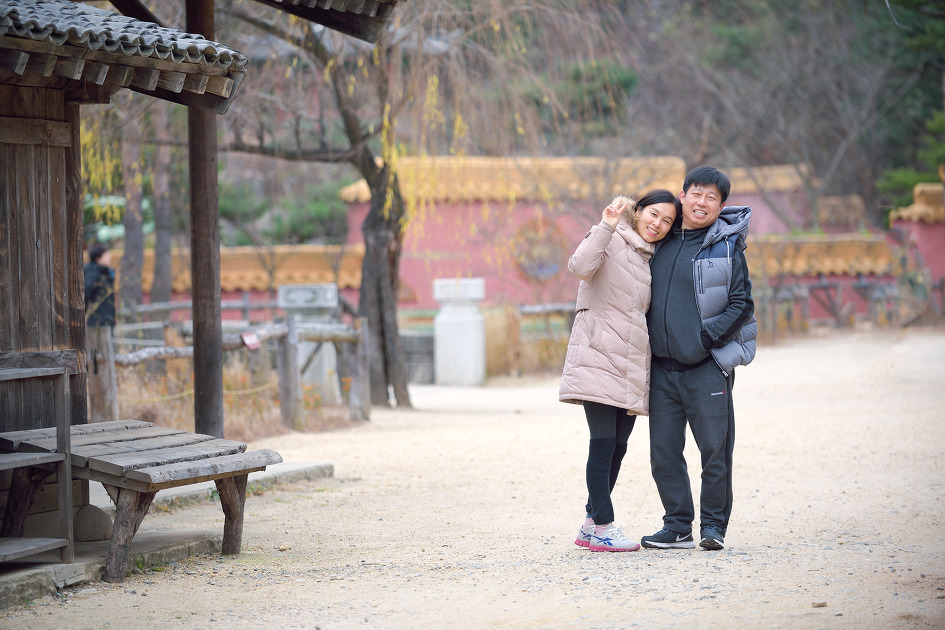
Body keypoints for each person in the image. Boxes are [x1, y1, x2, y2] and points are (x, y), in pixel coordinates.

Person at [640, 165, 756, 551]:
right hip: (662, 369)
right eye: (696, 193)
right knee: (664, 453)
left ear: (721, 206)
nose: (702, 202)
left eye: (712, 197)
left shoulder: (726, 246)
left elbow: (741, 304)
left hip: (706, 368)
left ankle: (713, 526)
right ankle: (677, 526)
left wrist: (705, 339)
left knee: (715, 451)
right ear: (683, 195)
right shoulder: (659, 239)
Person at [559, 190, 679, 552]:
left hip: (629, 362)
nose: (657, 224)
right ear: (637, 211)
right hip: (598, 355)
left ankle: (590, 523)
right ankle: (604, 525)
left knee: (618, 448)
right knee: (602, 444)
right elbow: (580, 267)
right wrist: (606, 225)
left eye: (667, 221)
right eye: (653, 214)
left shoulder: (650, 256)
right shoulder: (610, 238)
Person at [84, 243, 116, 328]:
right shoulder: (92, 274)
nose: (109, 257)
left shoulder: (105, 273)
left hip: (107, 320)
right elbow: (85, 296)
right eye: (106, 255)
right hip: (97, 323)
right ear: (98, 258)